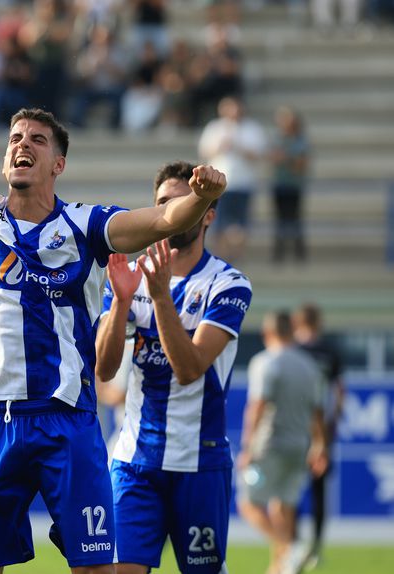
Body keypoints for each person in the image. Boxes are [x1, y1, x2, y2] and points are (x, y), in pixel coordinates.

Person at [0, 12, 228, 573]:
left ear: (59, 162)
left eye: (36, 140)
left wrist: (200, 198)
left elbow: (160, 219)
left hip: (66, 422)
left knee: (98, 568)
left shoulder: (85, 225)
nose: (20, 146)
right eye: (14, 139)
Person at [95, 160, 253, 574]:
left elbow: (190, 368)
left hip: (199, 463)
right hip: (134, 463)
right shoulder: (132, 277)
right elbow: (104, 368)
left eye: (183, 201)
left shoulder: (228, 283)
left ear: (207, 214)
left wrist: (161, 298)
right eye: (163, 202)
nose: (171, 210)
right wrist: (122, 302)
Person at [237, 311, 328, 574]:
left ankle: (290, 548)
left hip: (270, 445)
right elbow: (318, 412)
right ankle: (280, 568)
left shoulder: (266, 362)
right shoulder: (310, 366)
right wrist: (320, 446)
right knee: (283, 508)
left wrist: (247, 447)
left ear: (267, 334)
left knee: (249, 504)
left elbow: (257, 406)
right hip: (300, 447)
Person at [292, 303, 345, 570]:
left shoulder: (293, 351)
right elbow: (338, 392)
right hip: (322, 429)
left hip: (296, 428)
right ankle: (315, 545)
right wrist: (332, 423)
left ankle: (290, 544)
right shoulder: (330, 352)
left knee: (288, 488)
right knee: (318, 490)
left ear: (297, 322)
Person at [197, 96, 267, 262]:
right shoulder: (215, 128)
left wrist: (238, 147)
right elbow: (205, 152)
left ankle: (237, 258)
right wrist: (222, 145)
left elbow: (258, 155)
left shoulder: (252, 128)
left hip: (243, 183)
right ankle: (220, 258)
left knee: (241, 224)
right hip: (219, 185)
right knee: (218, 223)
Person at [270, 106, 309, 264]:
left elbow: (300, 164)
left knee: (295, 218)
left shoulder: (300, 140)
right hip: (280, 183)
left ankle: (299, 253)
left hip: (294, 185)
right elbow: (273, 158)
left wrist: (285, 158)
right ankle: (279, 253)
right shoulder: (278, 139)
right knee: (279, 219)